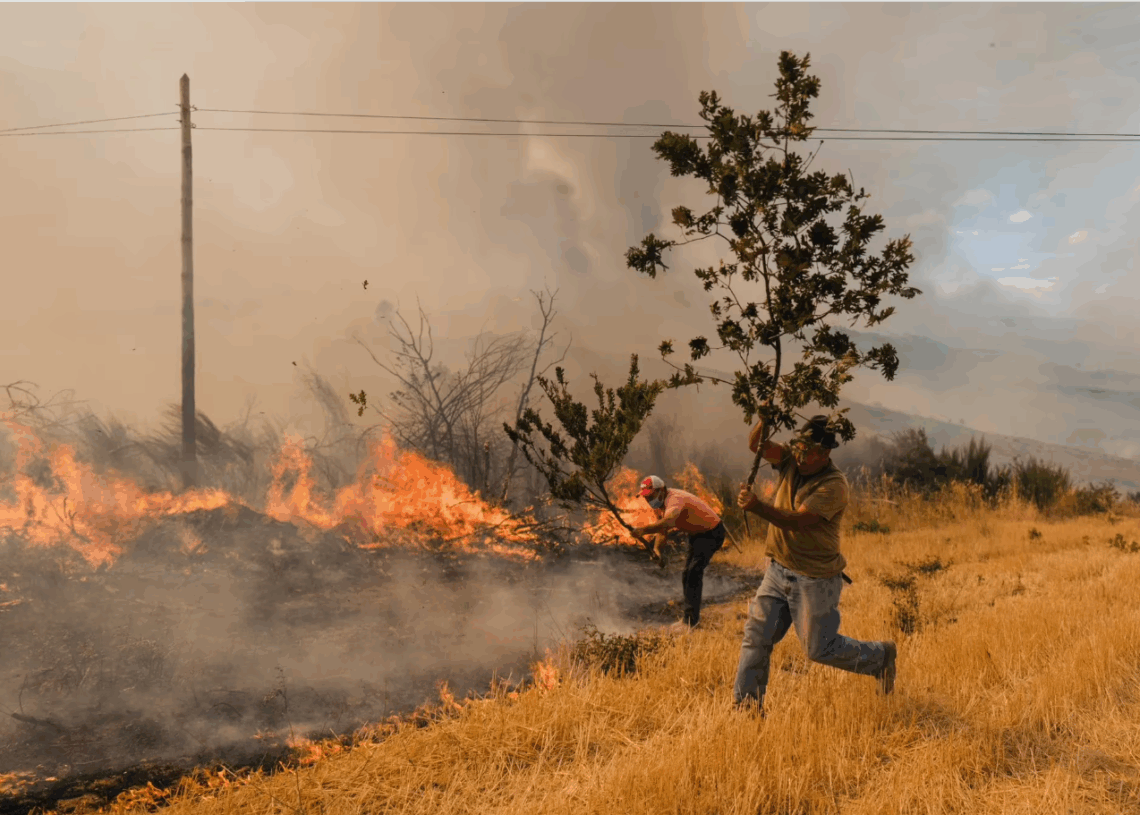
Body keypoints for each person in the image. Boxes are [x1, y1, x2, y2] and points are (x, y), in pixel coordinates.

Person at [732, 414, 897, 713]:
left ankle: (880, 657)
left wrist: (757, 507)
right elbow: (757, 445)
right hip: (777, 570)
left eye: (809, 452)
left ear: (825, 453)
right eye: (799, 448)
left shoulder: (834, 485)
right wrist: (763, 419)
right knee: (756, 637)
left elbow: (799, 522)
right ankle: (747, 708)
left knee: (819, 649)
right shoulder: (791, 458)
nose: (800, 456)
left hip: (814, 579)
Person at [631, 475, 726, 629]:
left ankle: (691, 622)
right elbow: (663, 530)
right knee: (687, 574)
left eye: (651, 496)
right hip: (697, 535)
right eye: (646, 498)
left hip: (712, 533)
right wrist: (657, 550)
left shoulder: (675, 499)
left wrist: (644, 530)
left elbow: (668, 521)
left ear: (661, 490)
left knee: (693, 572)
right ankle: (688, 620)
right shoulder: (661, 505)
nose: (649, 500)